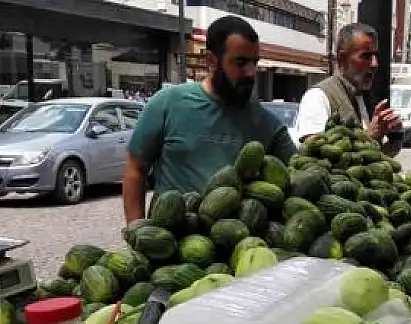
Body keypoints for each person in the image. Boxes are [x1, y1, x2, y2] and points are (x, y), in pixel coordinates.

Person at [122, 16, 296, 224]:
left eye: (254, 62)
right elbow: (135, 171)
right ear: (211, 61)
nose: (251, 72)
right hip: (170, 244)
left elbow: (298, 174)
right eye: (240, 62)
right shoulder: (167, 104)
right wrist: (137, 231)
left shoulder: (266, 123)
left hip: (232, 246)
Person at [294, 23, 403, 155]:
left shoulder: (367, 98)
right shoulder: (318, 97)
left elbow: (374, 162)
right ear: (342, 59)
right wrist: (370, 136)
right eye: (366, 56)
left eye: (375, 56)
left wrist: (396, 137)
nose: (375, 64)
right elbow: (314, 159)